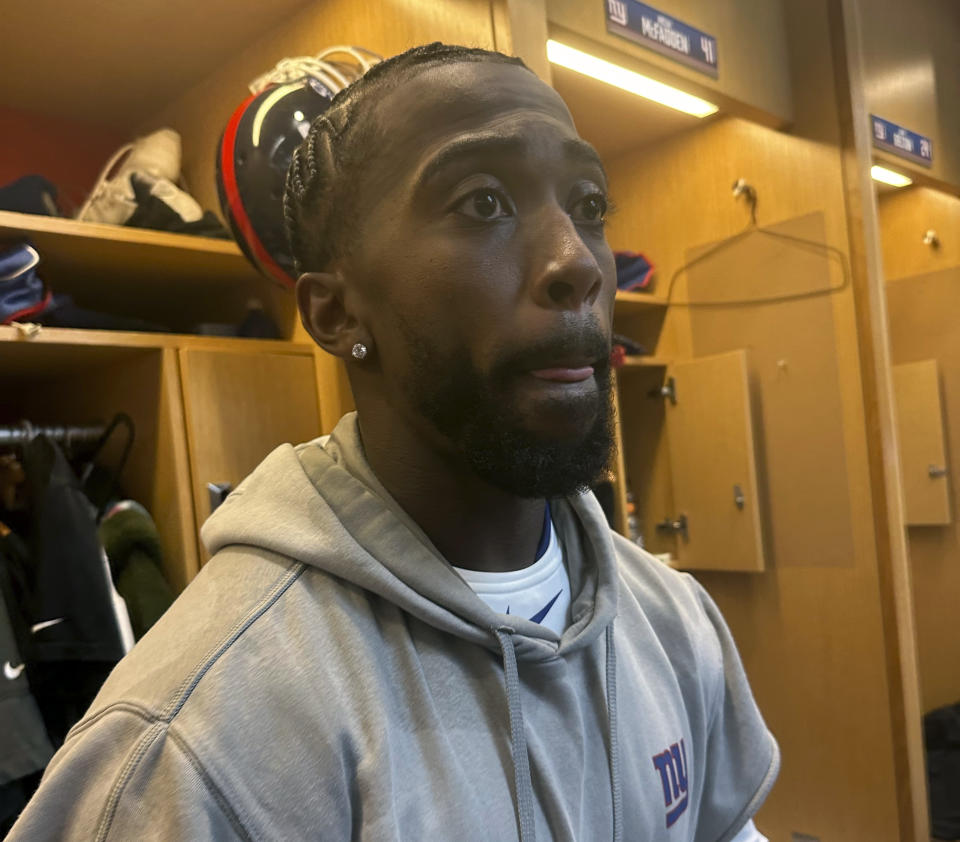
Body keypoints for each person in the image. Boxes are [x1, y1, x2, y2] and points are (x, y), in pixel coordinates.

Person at [7, 43, 778, 841]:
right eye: (483, 203)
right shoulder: (198, 739)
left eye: (588, 203)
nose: (576, 261)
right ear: (337, 315)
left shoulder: (674, 619)